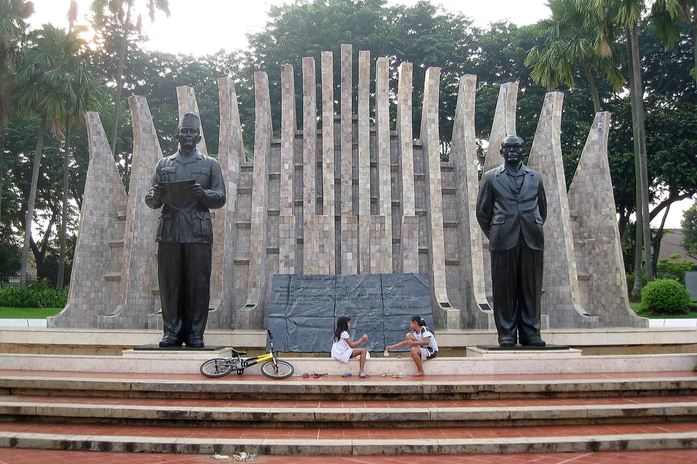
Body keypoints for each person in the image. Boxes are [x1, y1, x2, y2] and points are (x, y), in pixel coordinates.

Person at [145, 113, 226, 348]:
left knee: (198, 285)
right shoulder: (164, 164)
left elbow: (220, 197)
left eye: (192, 132)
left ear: (198, 137)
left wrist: (203, 194)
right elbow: (150, 198)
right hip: (170, 231)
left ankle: (194, 333)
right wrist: (155, 196)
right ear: (177, 135)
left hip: (198, 232)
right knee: (169, 283)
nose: (188, 135)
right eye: (184, 131)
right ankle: (171, 332)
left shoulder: (210, 164)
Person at [476, 134, 547, 348]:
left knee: (531, 287)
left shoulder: (535, 177)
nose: (513, 151)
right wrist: (497, 232)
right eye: (508, 148)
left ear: (522, 150)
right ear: (502, 151)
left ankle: (531, 333)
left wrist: (531, 226)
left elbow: (542, 209)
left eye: (517, 147)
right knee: (504, 289)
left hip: (531, 237)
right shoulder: (491, 177)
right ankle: (506, 334)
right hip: (502, 238)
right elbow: (482, 212)